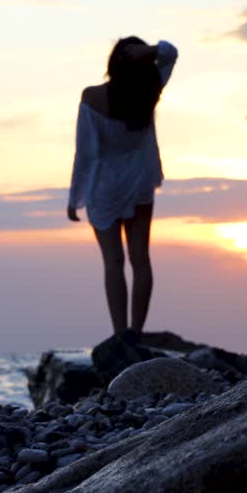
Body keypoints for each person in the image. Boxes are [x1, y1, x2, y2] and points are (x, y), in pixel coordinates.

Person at [68, 37, 178, 340]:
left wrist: (75, 196)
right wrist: (148, 52)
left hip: (104, 186)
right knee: (140, 260)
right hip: (138, 181)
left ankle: (120, 334)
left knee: (113, 262)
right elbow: (170, 52)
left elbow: (85, 151)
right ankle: (136, 332)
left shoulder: (92, 96)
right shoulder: (150, 91)